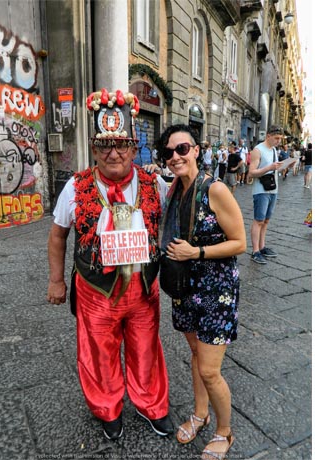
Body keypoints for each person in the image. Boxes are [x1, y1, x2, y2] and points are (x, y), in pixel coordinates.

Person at [47, 88, 173, 441]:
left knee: (146, 349)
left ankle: (152, 404)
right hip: (95, 290)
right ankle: (107, 408)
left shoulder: (155, 185)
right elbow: (57, 236)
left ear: (134, 148)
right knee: (99, 354)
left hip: (142, 287)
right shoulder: (75, 187)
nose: (113, 153)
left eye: (121, 145)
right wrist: (57, 281)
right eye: (105, 145)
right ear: (94, 149)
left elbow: (183, 209)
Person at [156, 124, 246, 459]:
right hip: (185, 286)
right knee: (196, 356)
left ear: (196, 150)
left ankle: (224, 432)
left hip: (215, 289)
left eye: (182, 149)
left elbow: (240, 242)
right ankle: (200, 413)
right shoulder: (175, 190)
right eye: (168, 152)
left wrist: (197, 253)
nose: (175, 157)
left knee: (210, 369)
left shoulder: (215, 189)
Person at [248, 125, 286, 264]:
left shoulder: (274, 150)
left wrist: (284, 167)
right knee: (258, 220)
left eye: (280, 139)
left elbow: (276, 169)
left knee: (266, 221)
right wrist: (269, 167)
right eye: (276, 138)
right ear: (268, 135)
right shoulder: (258, 150)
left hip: (273, 189)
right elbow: (251, 172)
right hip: (261, 190)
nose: (278, 141)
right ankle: (255, 251)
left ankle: (262, 247)